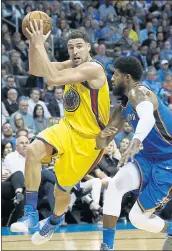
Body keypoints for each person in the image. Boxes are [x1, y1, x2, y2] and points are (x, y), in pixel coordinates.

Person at [10, 22, 110, 245]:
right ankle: (30, 214)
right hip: (67, 127)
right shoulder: (70, 64)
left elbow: (52, 79)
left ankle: (55, 220)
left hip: (88, 142)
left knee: (61, 192)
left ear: (89, 48)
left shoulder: (94, 69)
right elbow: (36, 70)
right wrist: (34, 45)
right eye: (71, 47)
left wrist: (39, 46)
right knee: (33, 150)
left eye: (79, 46)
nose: (74, 51)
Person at [95, 56, 172, 250]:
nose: (111, 78)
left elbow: (146, 117)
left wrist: (135, 142)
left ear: (127, 77)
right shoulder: (122, 108)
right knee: (114, 185)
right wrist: (102, 134)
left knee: (137, 218)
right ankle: (107, 246)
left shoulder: (141, 92)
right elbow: (100, 141)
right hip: (149, 158)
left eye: (115, 74)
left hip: (169, 161)